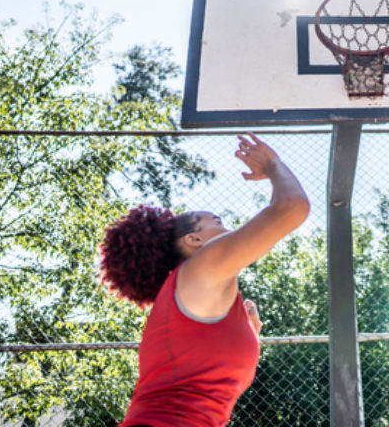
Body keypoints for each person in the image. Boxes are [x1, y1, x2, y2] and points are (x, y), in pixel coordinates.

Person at [99, 133, 310, 427]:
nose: (230, 228)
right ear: (195, 239)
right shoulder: (200, 268)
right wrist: (273, 165)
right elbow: (291, 208)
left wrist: (248, 335)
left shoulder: (199, 290)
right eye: (218, 221)